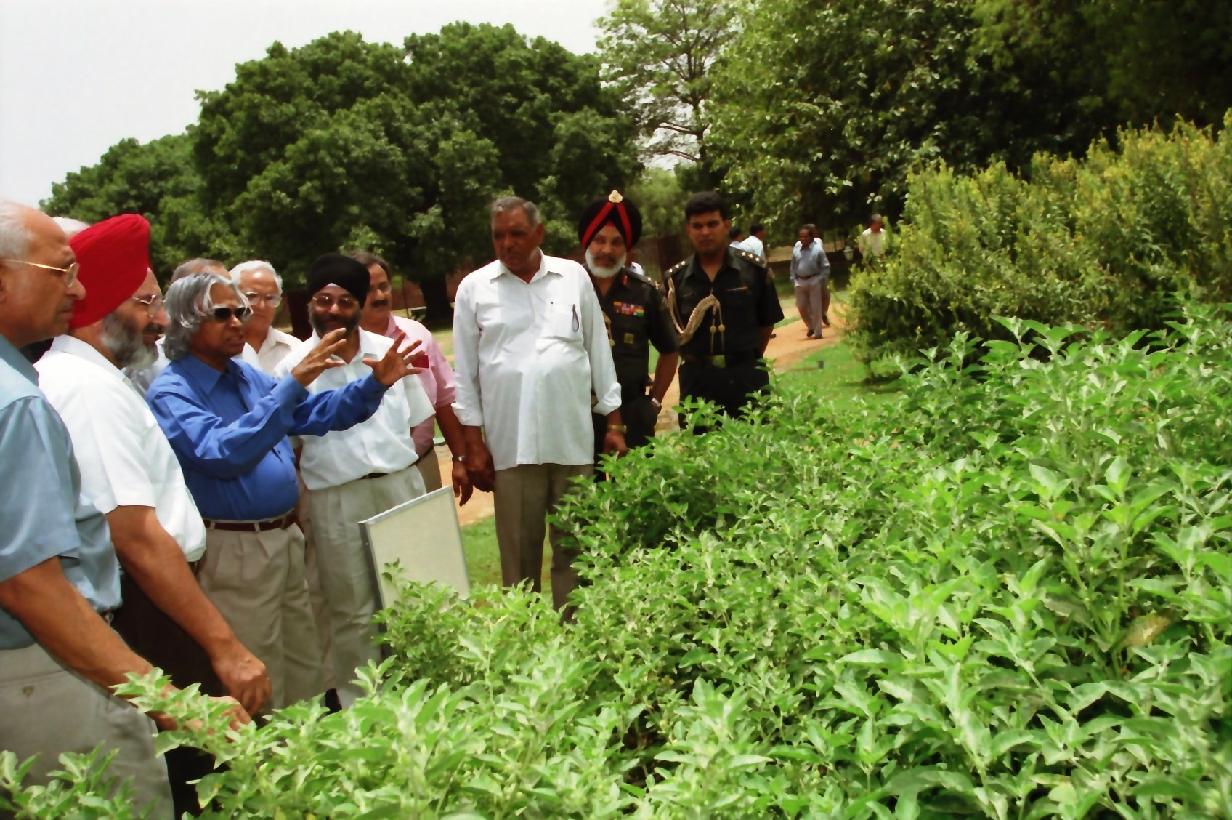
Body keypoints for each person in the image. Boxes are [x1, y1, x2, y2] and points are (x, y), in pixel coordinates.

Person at [34, 214, 269, 815]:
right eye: (144, 303)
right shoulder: (86, 390)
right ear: (101, 307)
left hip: (159, 598)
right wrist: (225, 646)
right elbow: (134, 534)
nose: (162, 320)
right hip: (150, 606)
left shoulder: (97, 378)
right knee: (201, 773)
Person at [0, 202, 223, 816]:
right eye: (61, 271)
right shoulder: (26, 401)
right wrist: (173, 702)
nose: (77, 290)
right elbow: (32, 583)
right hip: (46, 665)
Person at [147, 271, 422, 708]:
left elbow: (312, 414)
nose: (238, 321)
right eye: (222, 314)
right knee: (259, 668)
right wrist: (291, 386)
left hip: (284, 538)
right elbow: (222, 452)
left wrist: (373, 385)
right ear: (185, 322)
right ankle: (265, 749)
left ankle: (309, 744)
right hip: (236, 549)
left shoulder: (244, 375)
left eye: (240, 311)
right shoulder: (172, 391)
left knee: (304, 663)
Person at [452, 196, 625, 609]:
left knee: (577, 555)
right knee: (518, 563)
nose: (507, 244)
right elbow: (466, 376)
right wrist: (473, 445)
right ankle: (525, 640)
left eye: (517, 233)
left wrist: (615, 423)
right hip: (512, 448)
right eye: (498, 236)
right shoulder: (474, 289)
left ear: (539, 233)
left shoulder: (573, 277)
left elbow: (598, 351)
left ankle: (578, 637)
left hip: (572, 442)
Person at [277, 254, 433, 708]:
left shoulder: (389, 351)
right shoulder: (293, 366)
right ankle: (363, 708)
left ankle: (426, 695)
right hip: (337, 498)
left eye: (345, 300)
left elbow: (417, 419)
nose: (333, 309)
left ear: (360, 304)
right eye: (323, 300)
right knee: (352, 610)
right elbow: (289, 443)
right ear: (310, 303)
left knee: (413, 597)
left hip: (397, 487)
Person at [353, 251, 471, 501]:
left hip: (422, 464)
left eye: (384, 287)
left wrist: (460, 458)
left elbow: (444, 399)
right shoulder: (344, 347)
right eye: (369, 289)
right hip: (366, 481)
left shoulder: (417, 335)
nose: (379, 296)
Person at [664, 191, 784, 425]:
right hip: (698, 383)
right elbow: (672, 335)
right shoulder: (675, 281)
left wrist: (740, 358)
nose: (705, 232)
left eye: (712, 224)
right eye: (697, 226)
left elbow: (766, 325)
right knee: (700, 446)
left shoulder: (753, 271)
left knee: (756, 443)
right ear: (688, 230)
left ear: (726, 225)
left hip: (747, 379)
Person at [577, 191, 679, 464]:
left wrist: (654, 403)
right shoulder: (566, 289)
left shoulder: (644, 292)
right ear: (586, 243)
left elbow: (670, 351)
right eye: (599, 240)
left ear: (627, 249)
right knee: (583, 488)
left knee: (637, 486)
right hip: (578, 415)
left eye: (616, 242)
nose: (607, 250)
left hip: (632, 412)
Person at [231, 260, 299, 373]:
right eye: (251, 297)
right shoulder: (214, 350)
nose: (261, 306)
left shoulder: (294, 350)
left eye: (270, 298)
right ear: (231, 297)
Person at [790, 224, 830, 338]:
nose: (803, 239)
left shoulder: (818, 250)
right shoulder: (796, 249)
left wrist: (821, 279)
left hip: (814, 280)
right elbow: (793, 265)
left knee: (816, 307)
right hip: (799, 281)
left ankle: (818, 333)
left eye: (805, 236)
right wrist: (793, 278)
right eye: (801, 237)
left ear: (811, 237)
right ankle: (810, 326)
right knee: (801, 306)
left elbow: (825, 266)